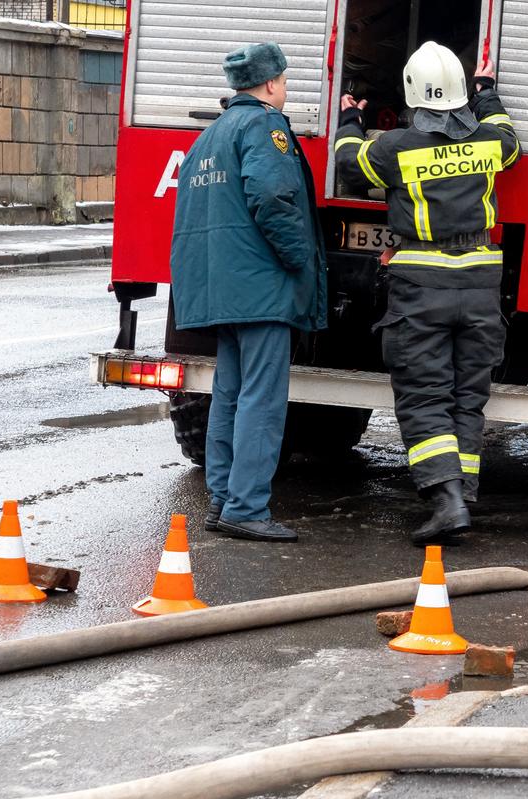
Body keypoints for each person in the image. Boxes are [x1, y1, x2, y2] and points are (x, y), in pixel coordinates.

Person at [335, 42, 521, 545]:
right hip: (481, 285)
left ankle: (445, 501)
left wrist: (351, 117)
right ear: (460, 92)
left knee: (424, 398)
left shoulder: (395, 148)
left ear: (414, 94)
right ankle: (462, 492)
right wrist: (487, 94)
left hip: (422, 288)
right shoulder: (488, 143)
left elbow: (349, 164)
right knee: (467, 396)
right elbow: (509, 137)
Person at [170, 42, 327, 543]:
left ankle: (223, 498)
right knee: (262, 399)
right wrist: (300, 261)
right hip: (261, 289)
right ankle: (246, 506)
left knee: (229, 395)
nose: (284, 89)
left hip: (223, 289)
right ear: (271, 84)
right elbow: (273, 198)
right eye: (283, 81)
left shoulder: (209, 136)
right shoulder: (265, 127)